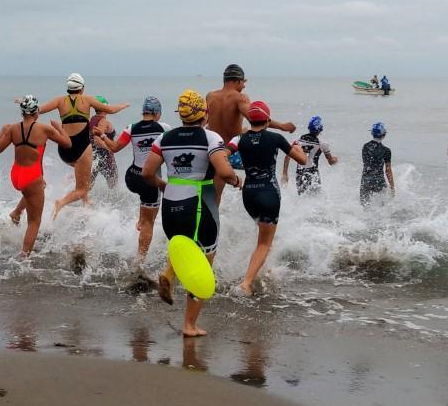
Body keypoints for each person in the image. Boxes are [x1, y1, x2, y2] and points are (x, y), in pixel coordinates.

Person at [141, 90, 240, 336]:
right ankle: (189, 325)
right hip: (199, 205)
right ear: (203, 114)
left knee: (184, 248)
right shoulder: (210, 137)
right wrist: (236, 180)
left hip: (171, 206)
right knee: (202, 265)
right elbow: (224, 171)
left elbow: (146, 173)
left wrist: (165, 186)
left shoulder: (164, 138)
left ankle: (168, 273)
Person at [229, 101, 307, 296]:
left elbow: (221, 154)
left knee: (262, 235)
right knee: (265, 242)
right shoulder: (276, 138)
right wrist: (298, 147)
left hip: (248, 195)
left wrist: (232, 178)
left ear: (250, 119)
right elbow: (303, 160)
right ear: (268, 119)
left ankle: (261, 269)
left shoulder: (239, 138)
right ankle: (246, 283)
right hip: (269, 194)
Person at [30, 74, 127, 219]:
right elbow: (111, 110)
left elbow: (37, 111)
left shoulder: (59, 100)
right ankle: (61, 202)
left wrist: (26, 104)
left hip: (64, 150)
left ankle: (85, 202)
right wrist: (124, 105)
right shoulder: (87, 99)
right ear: (82, 88)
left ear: (68, 88)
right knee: (82, 187)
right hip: (82, 148)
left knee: (83, 177)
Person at [94, 95, 168, 275]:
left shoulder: (131, 128)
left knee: (146, 207)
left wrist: (102, 135)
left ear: (143, 112)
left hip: (132, 178)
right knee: (150, 221)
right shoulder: (164, 129)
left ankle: (141, 220)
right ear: (157, 113)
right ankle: (139, 262)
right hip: (149, 180)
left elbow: (114, 148)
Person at [0, 96, 71, 257]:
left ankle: (16, 212)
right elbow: (67, 143)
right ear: (36, 112)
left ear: (22, 112)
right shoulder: (44, 129)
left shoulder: (13, 129)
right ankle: (24, 257)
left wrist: (2, 130)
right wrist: (59, 127)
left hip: (16, 175)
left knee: (38, 186)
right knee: (34, 222)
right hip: (31, 175)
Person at [204, 64, 296, 200]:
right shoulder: (240, 98)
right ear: (238, 81)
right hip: (233, 154)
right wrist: (283, 126)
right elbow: (256, 118)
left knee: (213, 197)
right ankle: (262, 203)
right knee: (263, 171)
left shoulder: (210, 96)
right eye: (243, 82)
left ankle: (212, 215)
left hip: (213, 151)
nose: (244, 86)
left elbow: (205, 121)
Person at [281, 115, 338, 195]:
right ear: (320, 129)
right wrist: (335, 159)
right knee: (316, 198)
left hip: (300, 174)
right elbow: (331, 161)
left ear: (309, 127)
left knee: (301, 198)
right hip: (314, 175)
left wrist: (285, 174)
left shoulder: (298, 140)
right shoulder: (323, 144)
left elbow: (287, 156)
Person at [359, 122, 395, 207]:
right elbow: (388, 170)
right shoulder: (386, 150)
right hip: (379, 180)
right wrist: (392, 187)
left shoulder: (365, 147)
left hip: (366, 179)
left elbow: (366, 162)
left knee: (365, 206)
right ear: (384, 134)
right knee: (383, 206)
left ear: (372, 133)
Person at [88, 101, 118, 190]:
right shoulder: (104, 121)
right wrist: (110, 148)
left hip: (92, 155)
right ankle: (111, 204)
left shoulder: (91, 120)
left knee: (87, 186)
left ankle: (80, 203)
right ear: (105, 108)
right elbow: (97, 140)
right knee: (113, 186)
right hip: (105, 156)